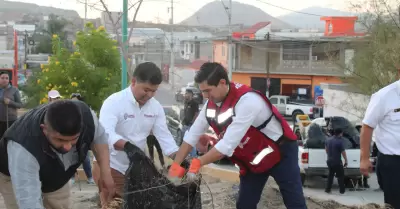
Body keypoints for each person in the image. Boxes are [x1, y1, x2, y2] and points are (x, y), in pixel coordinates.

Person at [168, 62, 307, 209]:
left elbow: (226, 146)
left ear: (222, 82)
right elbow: (191, 136)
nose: (205, 96)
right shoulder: (210, 105)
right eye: (203, 91)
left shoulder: (248, 101)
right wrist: (175, 168)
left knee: (294, 202)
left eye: (208, 91)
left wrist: (197, 163)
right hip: (253, 160)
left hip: (281, 153)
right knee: (244, 205)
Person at [0, 100, 115, 209]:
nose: (67, 147)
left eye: (74, 139)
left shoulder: (86, 117)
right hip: (13, 174)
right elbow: (29, 202)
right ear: (44, 129)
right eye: (60, 140)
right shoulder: (23, 147)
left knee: (59, 204)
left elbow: (99, 138)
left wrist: (105, 173)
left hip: (56, 173)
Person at [99, 62, 179, 199]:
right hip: (112, 165)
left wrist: (180, 158)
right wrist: (128, 147)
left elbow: (165, 138)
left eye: (153, 91)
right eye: (146, 90)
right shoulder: (114, 102)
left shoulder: (156, 108)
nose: (149, 95)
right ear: (134, 81)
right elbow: (105, 134)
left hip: (138, 169)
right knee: (115, 203)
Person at [360, 80, 400, 209]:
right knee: (394, 204)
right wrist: (364, 158)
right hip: (393, 163)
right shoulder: (384, 96)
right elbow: (367, 127)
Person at [69, 93, 95, 184]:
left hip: (83, 139)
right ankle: (71, 178)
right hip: (71, 139)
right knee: (71, 159)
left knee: (85, 159)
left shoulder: (86, 112)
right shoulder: (67, 112)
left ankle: (90, 177)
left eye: (76, 100)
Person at [325, 128, 347, 194]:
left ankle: (328, 189)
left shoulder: (328, 140)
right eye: (342, 133)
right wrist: (346, 160)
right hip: (337, 161)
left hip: (329, 161)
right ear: (340, 133)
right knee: (340, 176)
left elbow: (326, 150)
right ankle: (342, 191)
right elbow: (343, 152)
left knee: (330, 175)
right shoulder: (339, 141)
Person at [0, 71, 22, 137]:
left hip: (10, 120)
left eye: (6, 78)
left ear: (9, 80)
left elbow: (20, 105)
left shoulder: (14, 90)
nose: (4, 80)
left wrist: (10, 102)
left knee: (8, 140)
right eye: (2, 78)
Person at [182, 89, 199, 157]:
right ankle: (187, 155)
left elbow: (196, 113)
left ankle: (193, 156)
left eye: (187, 93)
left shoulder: (194, 103)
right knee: (185, 141)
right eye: (185, 93)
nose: (185, 95)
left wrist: (193, 122)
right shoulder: (185, 102)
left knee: (191, 141)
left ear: (190, 94)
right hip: (185, 124)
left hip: (191, 125)